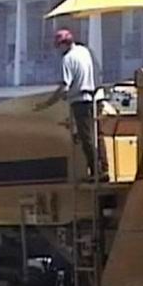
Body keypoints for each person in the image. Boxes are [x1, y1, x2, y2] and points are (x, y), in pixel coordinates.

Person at [35, 28, 108, 181]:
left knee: (86, 137)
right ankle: (105, 167)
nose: (57, 50)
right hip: (96, 97)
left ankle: (96, 172)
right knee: (98, 135)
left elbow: (64, 86)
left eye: (58, 46)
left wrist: (47, 104)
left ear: (63, 45)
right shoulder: (84, 51)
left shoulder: (67, 59)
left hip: (80, 101)